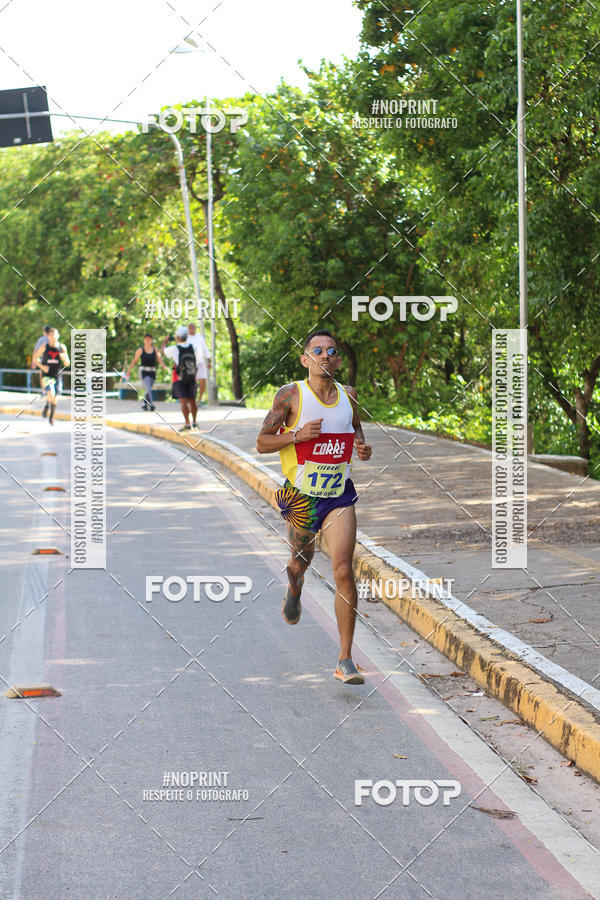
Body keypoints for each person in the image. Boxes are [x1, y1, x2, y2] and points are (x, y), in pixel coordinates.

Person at [256, 329, 373, 685]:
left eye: (331, 351)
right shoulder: (290, 395)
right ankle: (295, 587)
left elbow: (356, 428)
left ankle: (345, 660)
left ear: (338, 360)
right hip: (301, 498)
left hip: (339, 495)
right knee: (301, 561)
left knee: (343, 569)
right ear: (305, 359)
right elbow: (262, 442)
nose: (325, 356)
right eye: (317, 351)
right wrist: (296, 436)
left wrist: (361, 447)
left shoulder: (349, 396)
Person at [163, 326, 198, 431]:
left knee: (183, 402)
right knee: (192, 401)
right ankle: (195, 423)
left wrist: (164, 342)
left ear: (177, 337)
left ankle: (187, 424)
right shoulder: (193, 347)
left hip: (179, 378)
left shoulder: (174, 349)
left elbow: (164, 352)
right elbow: (198, 360)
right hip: (192, 376)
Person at [35, 327, 70, 426]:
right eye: (51, 335)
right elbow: (35, 358)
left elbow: (67, 363)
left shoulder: (62, 347)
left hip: (57, 375)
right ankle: (49, 412)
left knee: (54, 397)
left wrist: (65, 359)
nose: (53, 337)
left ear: (58, 336)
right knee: (51, 392)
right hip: (47, 375)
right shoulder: (44, 347)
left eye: (55, 335)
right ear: (48, 337)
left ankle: (50, 414)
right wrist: (42, 367)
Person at [125, 334, 168, 411]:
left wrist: (165, 367)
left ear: (152, 340)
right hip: (143, 372)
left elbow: (159, 359)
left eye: (149, 339)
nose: (148, 341)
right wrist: (129, 371)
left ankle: (144, 404)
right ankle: (151, 404)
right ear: (144, 340)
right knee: (148, 387)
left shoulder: (155, 350)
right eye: (146, 339)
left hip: (152, 372)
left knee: (148, 389)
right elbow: (134, 360)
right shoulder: (140, 350)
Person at [187, 322, 211, 405]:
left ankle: (200, 399)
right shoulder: (186, 338)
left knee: (203, 379)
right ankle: (191, 398)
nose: (191, 330)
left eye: (193, 328)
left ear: (195, 329)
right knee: (191, 382)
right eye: (190, 328)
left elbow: (205, 349)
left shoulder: (200, 338)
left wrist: (209, 360)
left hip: (200, 362)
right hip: (189, 363)